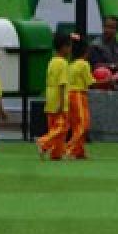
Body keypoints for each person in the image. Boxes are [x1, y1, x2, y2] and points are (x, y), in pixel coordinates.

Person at [36, 32, 72, 161]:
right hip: (59, 99)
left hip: (50, 99)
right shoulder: (63, 63)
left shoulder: (52, 61)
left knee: (53, 127)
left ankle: (57, 153)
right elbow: (62, 84)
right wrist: (62, 104)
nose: (70, 49)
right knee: (62, 127)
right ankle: (44, 142)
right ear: (63, 47)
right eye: (69, 46)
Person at [65, 35, 94, 159]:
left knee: (78, 124)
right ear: (86, 51)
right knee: (82, 124)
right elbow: (90, 82)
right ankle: (69, 149)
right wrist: (109, 79)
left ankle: (79, 151)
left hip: (72, 94)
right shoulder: (83, 64)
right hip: (78, 95)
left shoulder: (71, 64)